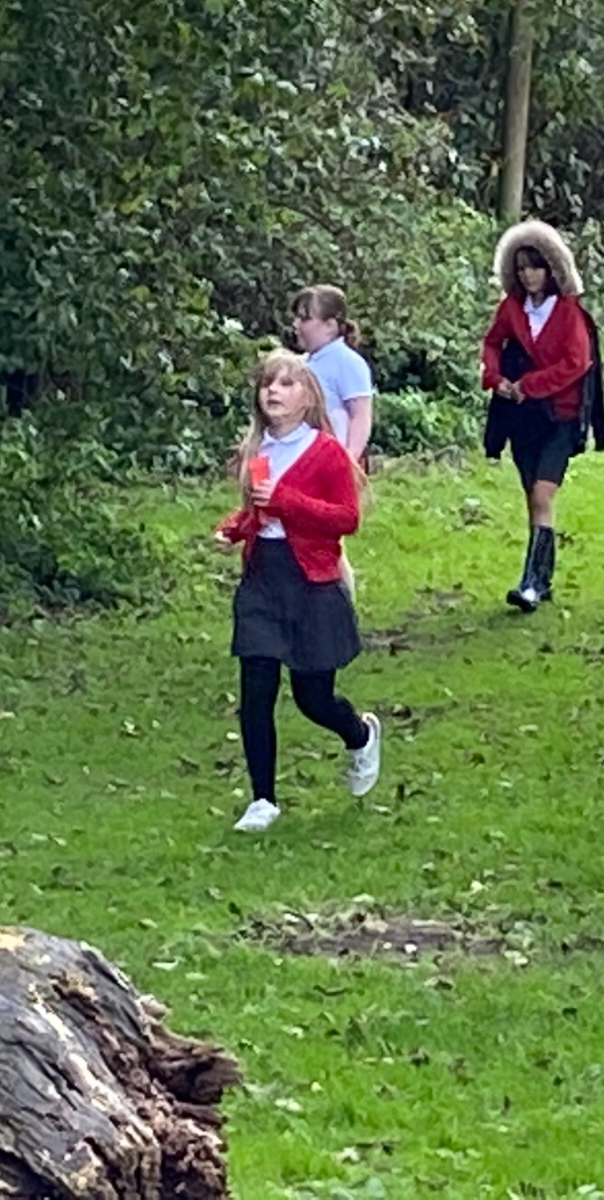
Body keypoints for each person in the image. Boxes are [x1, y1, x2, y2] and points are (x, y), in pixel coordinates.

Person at [214, 349, 381, 832]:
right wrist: (235, 528)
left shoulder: (325, 452)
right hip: (263, 579)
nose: (273, 391)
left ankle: (359, 734)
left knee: (313, 698)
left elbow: (345, 518)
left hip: (311, 582)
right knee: (255, 689)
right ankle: (262, 799)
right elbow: (259, 513)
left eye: (286, 383)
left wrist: (286, 500)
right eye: (267, 383)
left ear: (307, 397)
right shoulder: (257, 449)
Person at [480, 219, 604, 612]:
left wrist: (530, 384)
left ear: (551, 269)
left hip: (560, 415)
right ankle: (542, 577)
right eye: (521, 268)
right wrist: (496, 378)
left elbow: (576, 362)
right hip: (522, 418)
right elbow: (492, 343)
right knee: (531, 494)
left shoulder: (568, 312)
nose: (528, 275)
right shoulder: (511, 308)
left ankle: (531, 583)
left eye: (535, 266)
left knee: (542, 493)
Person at [290, 284, 375, 595]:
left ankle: (339, 607)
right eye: (296, 318)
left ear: (330, 325)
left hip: (331, 465)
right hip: (304, 464)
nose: (296, 325)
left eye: (305, 318)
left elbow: (360, 415)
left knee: (328, 541)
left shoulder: (347, 362)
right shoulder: (305, 363)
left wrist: (348, 461)